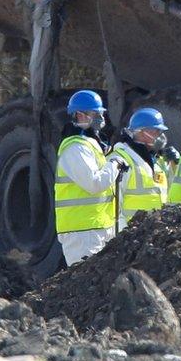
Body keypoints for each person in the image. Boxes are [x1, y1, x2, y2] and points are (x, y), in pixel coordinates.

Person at [54, 90, 124, 265]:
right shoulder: (75, 148)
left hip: (97, 227)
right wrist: (114, 163)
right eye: (94, 114)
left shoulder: (89, 145)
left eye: (100, 114)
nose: (100, 119)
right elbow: (95, 184)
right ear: (79, 115)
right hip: (82, 232)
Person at [110, 108, 171, 230]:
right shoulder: (122, 159)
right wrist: (122, 237)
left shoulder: (156, 161)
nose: (161, 136)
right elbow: (113, 206)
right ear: (142, 132)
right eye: (156, 131)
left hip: (155, 235)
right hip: (131, 236)